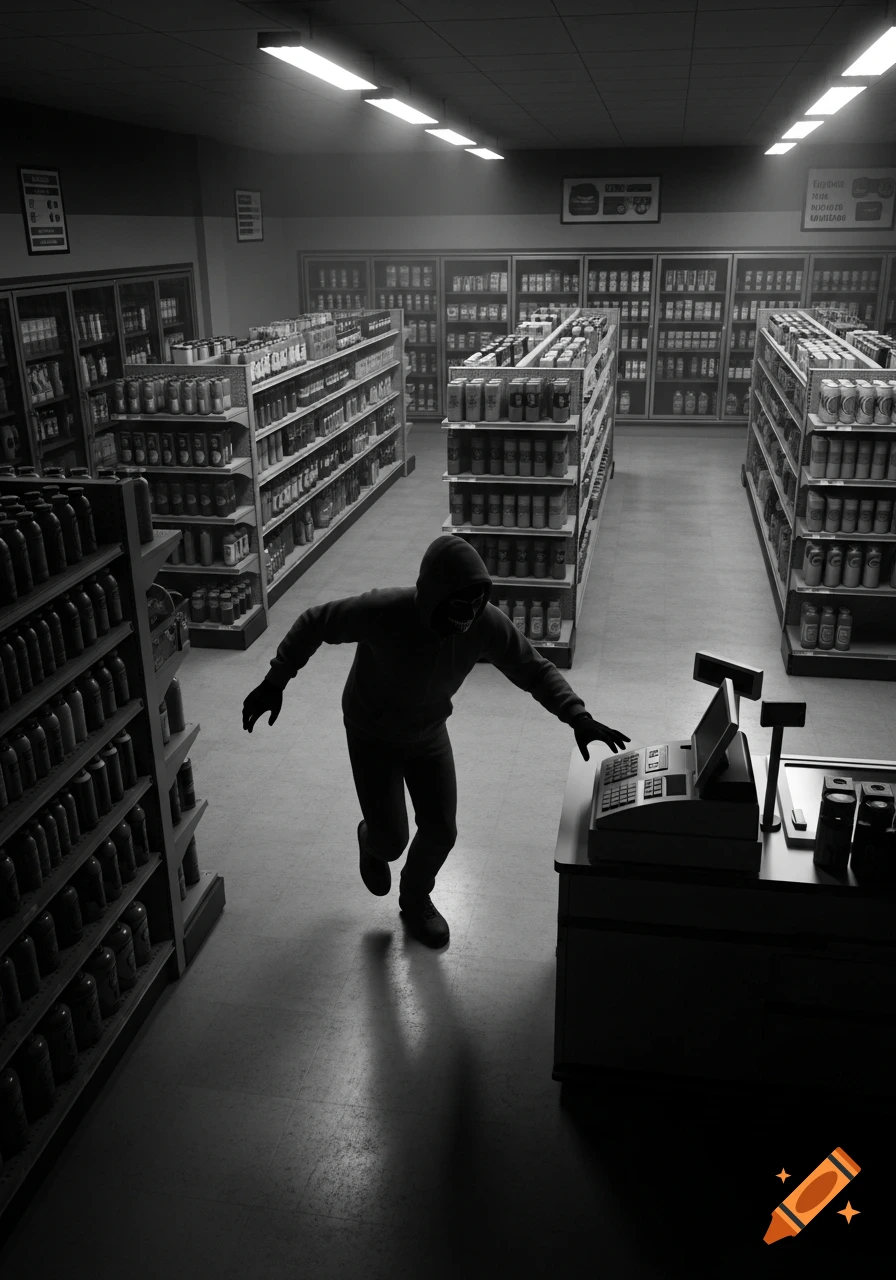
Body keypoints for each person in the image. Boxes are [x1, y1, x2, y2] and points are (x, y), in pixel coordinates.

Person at [242, 535, 629, 948]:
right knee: (392, 840)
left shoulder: (485, 623)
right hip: (371, 733)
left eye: (475, 605)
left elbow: (533, 669)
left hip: (428, 733)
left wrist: (578, 716)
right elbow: (315, 622)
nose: (465, 618)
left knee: (442, 830)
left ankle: (415, 898)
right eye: (456, 607)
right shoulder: (384, 610)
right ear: (431, 596)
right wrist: (274, 681)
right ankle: (372, 839)